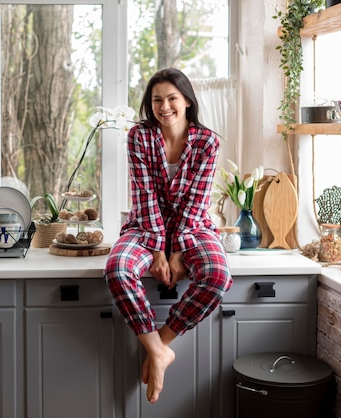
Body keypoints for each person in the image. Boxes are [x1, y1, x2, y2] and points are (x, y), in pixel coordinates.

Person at [104, 67, 233, 404]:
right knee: (117, 269)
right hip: (146, 225)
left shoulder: (207, 142)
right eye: (157, 100)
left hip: (194, 226)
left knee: (218, 276)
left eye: (172, 99)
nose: (164, 107)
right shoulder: (139, 136)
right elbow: (144, 197)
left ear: (187, 101)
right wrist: (159, 250)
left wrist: (177, 251)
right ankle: (157, 351)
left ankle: (160, 344)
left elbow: (196, 202)